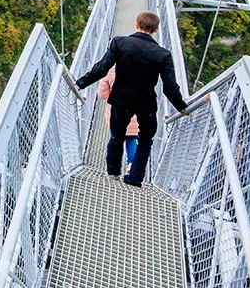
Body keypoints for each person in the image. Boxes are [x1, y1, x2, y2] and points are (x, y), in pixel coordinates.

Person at [74, 11, 188, 186]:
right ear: (156, 30)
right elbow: (169, 87)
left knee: (116, 137)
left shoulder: (120, 43)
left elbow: (102, 68)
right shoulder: (163, 54)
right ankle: (135, 178)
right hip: (146, 103)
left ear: (136, 25)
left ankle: (113, 172)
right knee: (145, 140)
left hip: (121, 99)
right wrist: (181, 107)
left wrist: (81, 83)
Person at [98, 67, 138, 169]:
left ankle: (113, 171)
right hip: (134, 113)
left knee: (115, 140)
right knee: (131, 139)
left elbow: (103, 95)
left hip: (116, 112)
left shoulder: (110, 69)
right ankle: (131, 165)